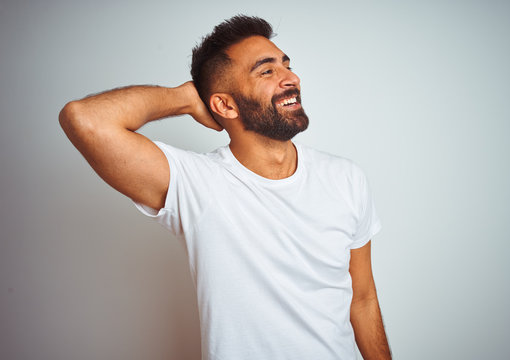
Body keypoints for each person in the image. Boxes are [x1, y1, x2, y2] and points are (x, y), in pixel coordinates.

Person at [59, 15, 391, 360]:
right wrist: (183, 98)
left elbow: (363, 298)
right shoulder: (194, 183)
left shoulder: (346, 178)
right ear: (225, 105)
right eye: (267, 71)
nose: (291, 78)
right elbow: (83, 119)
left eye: (286, 65)